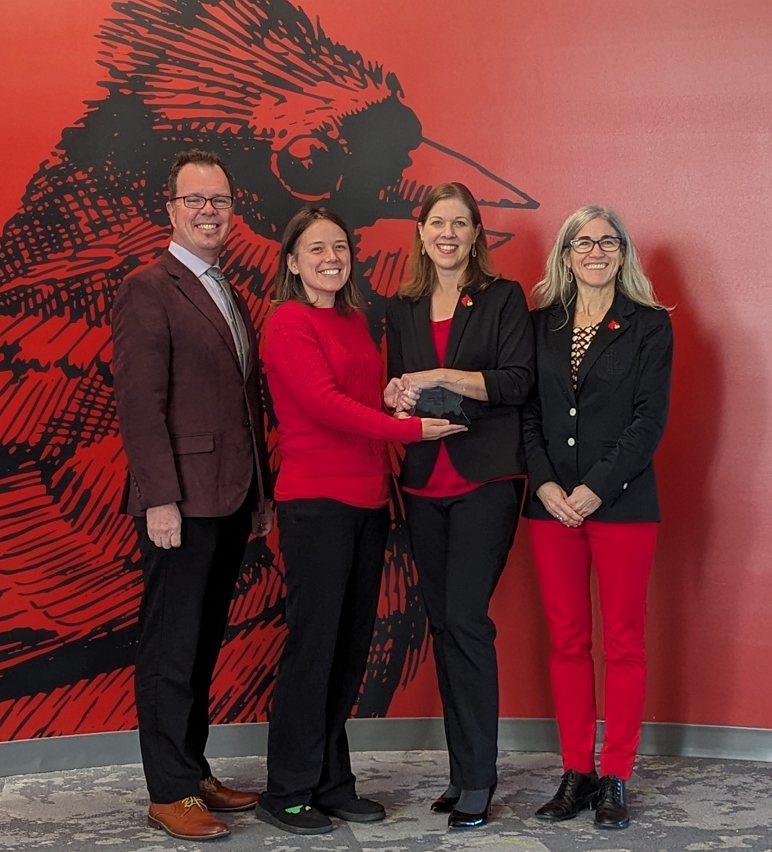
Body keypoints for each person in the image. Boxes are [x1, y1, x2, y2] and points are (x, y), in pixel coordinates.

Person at [255, 207, 465, 836]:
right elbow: (323, 406)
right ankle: (287, 789)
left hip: (368, 502)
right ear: (293, 261)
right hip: (317, 504)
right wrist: (406, 428)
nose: (331, 257)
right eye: (316, 248)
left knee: (347, 652)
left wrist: (392, 397)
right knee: (313, 649)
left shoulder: (350, 319)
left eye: (339, 247)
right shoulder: (289, 322)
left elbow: (357, 397)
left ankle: (331, 782)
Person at [112, 149, 273, 841]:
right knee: (171, 646)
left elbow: (242, 403)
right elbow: (140, 406)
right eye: (196, 200)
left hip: (231, 496)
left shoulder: (223, 287)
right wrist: (159, 499)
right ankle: (169, 789)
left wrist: (260, 495)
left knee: (203, 642)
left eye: (221, 201)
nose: (210, 211)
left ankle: (193, 768)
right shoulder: (150, 287)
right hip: (181, 501)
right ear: (171, 209)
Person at [385, 182, 535, 829]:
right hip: (421, 482)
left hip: (484, 480)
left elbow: (517, 381)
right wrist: (396, 395)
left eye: (460, 224)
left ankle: (480, 778)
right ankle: (459, 771)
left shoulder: (503, 299)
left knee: (468, 621)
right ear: (421, 233)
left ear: (477, 234)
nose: (448, 234)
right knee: (444, 626)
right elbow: (395, 385)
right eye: (437, 223)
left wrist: (443, 376)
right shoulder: (404, 307)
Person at [522, 205, 673, 830]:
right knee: (566, 642)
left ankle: (615, 775)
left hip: (623, 504)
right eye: (582, 242)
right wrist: (549, 483)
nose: (595, 251)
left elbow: (648, 422)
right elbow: (526, 415)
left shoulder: (649, 326)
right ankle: (577, 770)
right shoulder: (537, 326)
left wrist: (594, 490)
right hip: (550, 506)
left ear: (623, 253)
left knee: (623, 642)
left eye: (607, 241)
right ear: (565, 254)